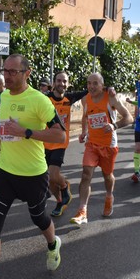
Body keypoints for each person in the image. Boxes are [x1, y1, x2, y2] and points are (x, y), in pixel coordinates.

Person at [0, 54, 66, 279]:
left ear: (27, 73)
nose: (7, 76)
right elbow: (7, 131)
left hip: (33, 174)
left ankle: (53, 244)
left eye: (13, 72)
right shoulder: (4, 98)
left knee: (39, 217)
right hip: (6, 174)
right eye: (5, 70)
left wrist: (27, 132)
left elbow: (60, 136)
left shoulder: (39, 100)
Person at [69, 72, 133, 224]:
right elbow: (85, 117)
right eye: (89, 83)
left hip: (109, 144)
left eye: (95, 83)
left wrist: (114, 125)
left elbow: (129, 117)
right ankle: (82, 210)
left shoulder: (111, 98)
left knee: (107, 176)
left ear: (102, 85)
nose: (91, 86)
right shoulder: (85, 99)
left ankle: (109, 196)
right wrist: (84, 132)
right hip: (92, 144)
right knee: (86, 174)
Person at [45, 71, 87, 217]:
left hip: (60, 143)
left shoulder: (69, 98)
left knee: (53, 174)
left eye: (64, 81)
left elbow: (89, 91)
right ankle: (60, 200)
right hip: (44, 144)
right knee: (50, 181)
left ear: (68, 84)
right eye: (59, 80)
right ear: (54, 82)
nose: (61, 84)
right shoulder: (45, 99)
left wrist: (108, 89)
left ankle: (64, 186)